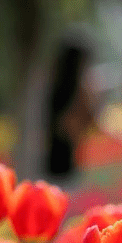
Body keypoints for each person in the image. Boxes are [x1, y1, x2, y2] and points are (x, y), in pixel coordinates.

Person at [45, 39, 98, 182]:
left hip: (54, 151)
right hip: (66, 149)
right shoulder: (79, 90)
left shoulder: (51, 85)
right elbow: (86, 120)